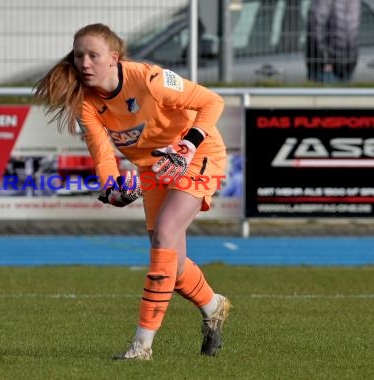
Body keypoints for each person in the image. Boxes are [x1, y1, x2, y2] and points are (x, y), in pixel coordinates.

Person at [33, 23, 231, 360]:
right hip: (153, 169)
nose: (84, 63)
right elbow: (104, 157)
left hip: (198, 155)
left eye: (93, 55)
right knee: (174, 262)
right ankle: (214, 306)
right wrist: (112, 189)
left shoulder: (149, 79)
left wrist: (187, 144)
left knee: (165, 236)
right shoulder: (87, 104)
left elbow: (212, 101)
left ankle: (142, 347)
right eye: (79, 55)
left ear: (114, 58)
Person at [306, 0, 361, 83]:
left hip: (348, 67)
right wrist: (324, 61)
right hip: (327, 69)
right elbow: (315, 29)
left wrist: (352, 60)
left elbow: (353, 32)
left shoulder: (354, 2)